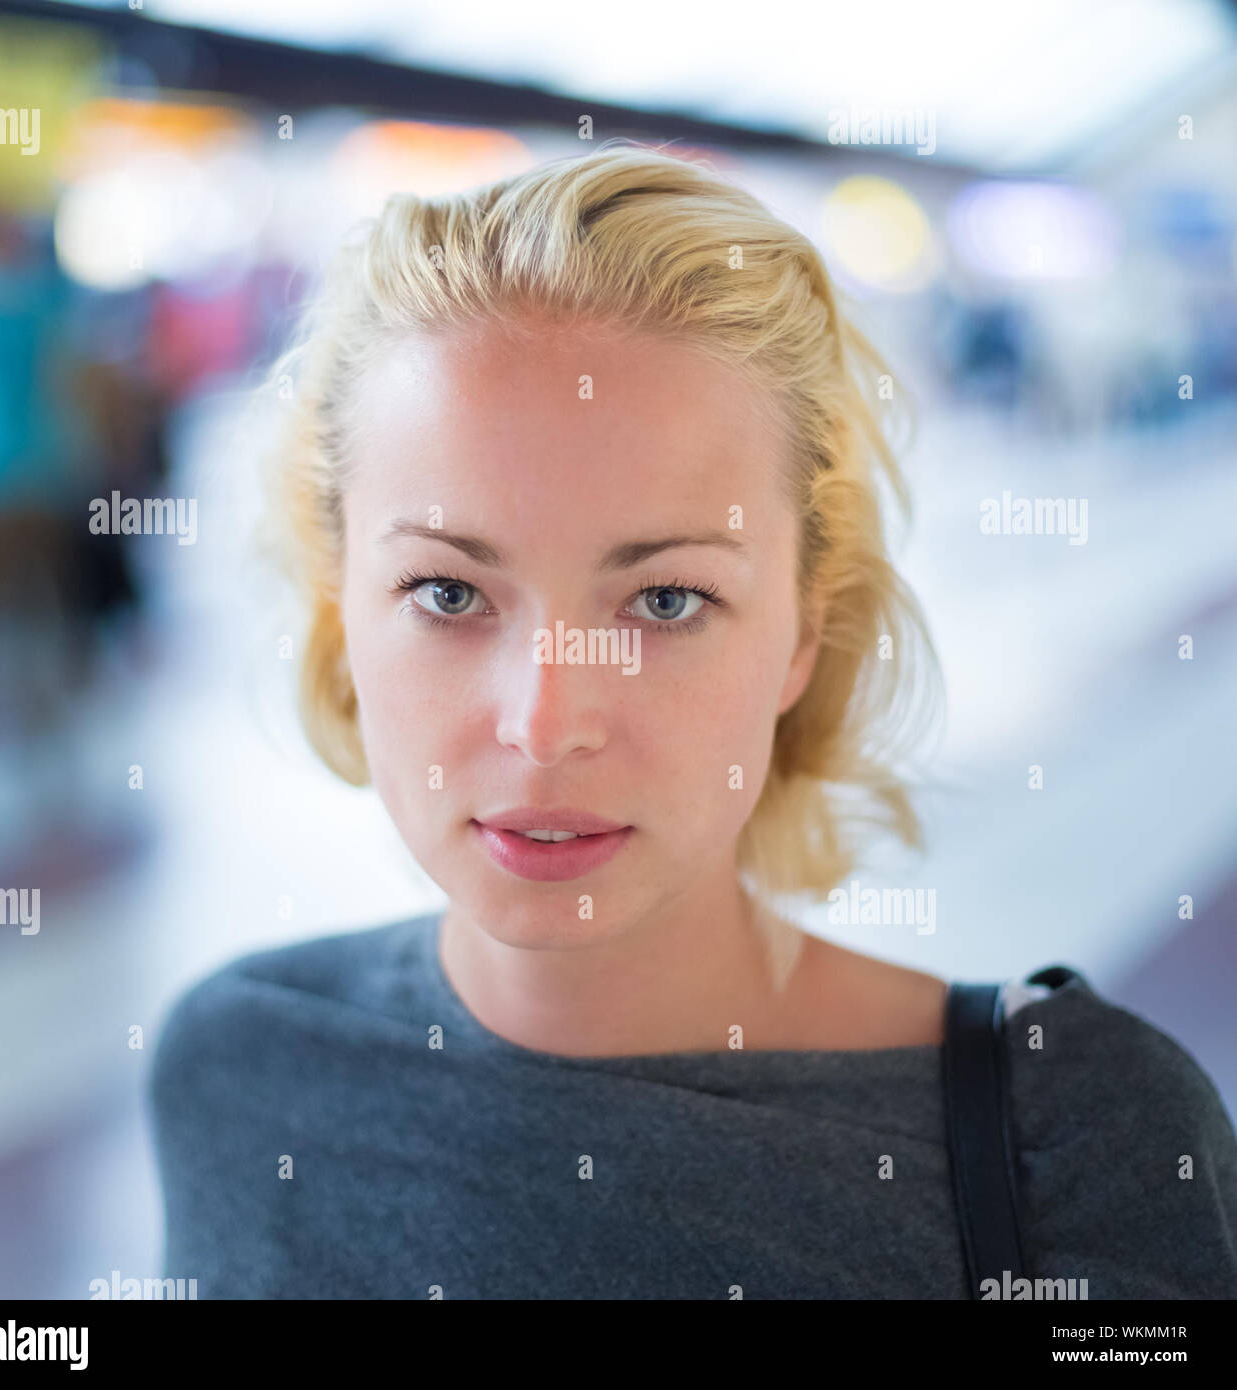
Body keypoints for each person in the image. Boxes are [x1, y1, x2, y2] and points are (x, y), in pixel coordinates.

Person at [148, 143, 1237, 1299]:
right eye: (449, 593)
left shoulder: (1069, 1141)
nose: (546, 723)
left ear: (803, 634)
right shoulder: (236, 1067)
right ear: (340, 614)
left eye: (667, 599)